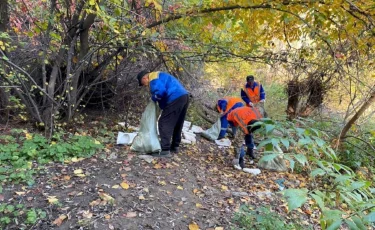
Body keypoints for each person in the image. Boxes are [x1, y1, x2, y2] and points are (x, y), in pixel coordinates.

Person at [137, 70, 189, 157]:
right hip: (184, 96)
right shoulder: (160, 75)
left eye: (143, 83)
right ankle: (175, 146)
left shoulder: (153, 78)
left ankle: (165, 150)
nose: (145, 85)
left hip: (174, 97)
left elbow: (160, 92)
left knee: (164, 122)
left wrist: (153, 99)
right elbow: (165, 92)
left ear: (144, 78)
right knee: (177, 122)